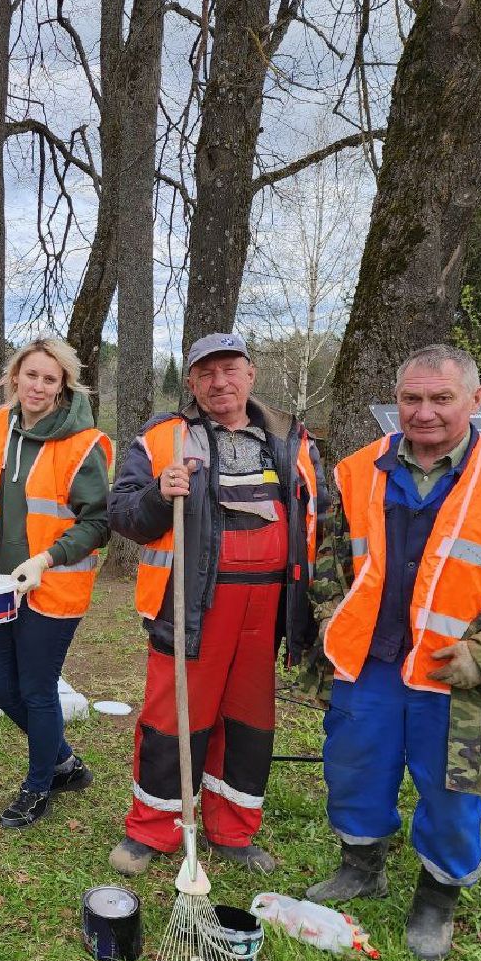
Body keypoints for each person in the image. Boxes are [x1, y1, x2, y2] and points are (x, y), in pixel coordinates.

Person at [301, 343, 481, 961]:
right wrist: (327, 620)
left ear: (475, 400)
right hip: (367, 664)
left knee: (454, 794)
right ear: (395, 401)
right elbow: (326, 561)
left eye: (440, 398)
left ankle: (438, 894)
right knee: (353, 770)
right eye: (411, 398)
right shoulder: (354, 471)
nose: (423, 413)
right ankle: (361, 865)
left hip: (462, 678)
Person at [107, 332, 325, 876]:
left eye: (229, 369)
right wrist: (160, 493)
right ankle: (153, 830)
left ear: (250, 374)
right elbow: (122, 515)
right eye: (206, 373)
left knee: (249, 718)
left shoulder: (294, 440)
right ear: (192, 383)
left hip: (269, 605)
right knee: (175, 714)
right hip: (192, 603)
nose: (218, 382)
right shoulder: (164, 437)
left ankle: (233, 830)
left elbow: (325, 518)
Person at [0, 338, 111, 828]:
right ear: (14, 377)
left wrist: (47, 558)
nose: (38, 387)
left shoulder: (82, 443)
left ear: (64, 385)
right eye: (31, 376)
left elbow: (98, 521)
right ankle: (63, 760)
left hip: (51, 584)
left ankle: (38, 784)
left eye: (50, 379)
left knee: (38, 688)